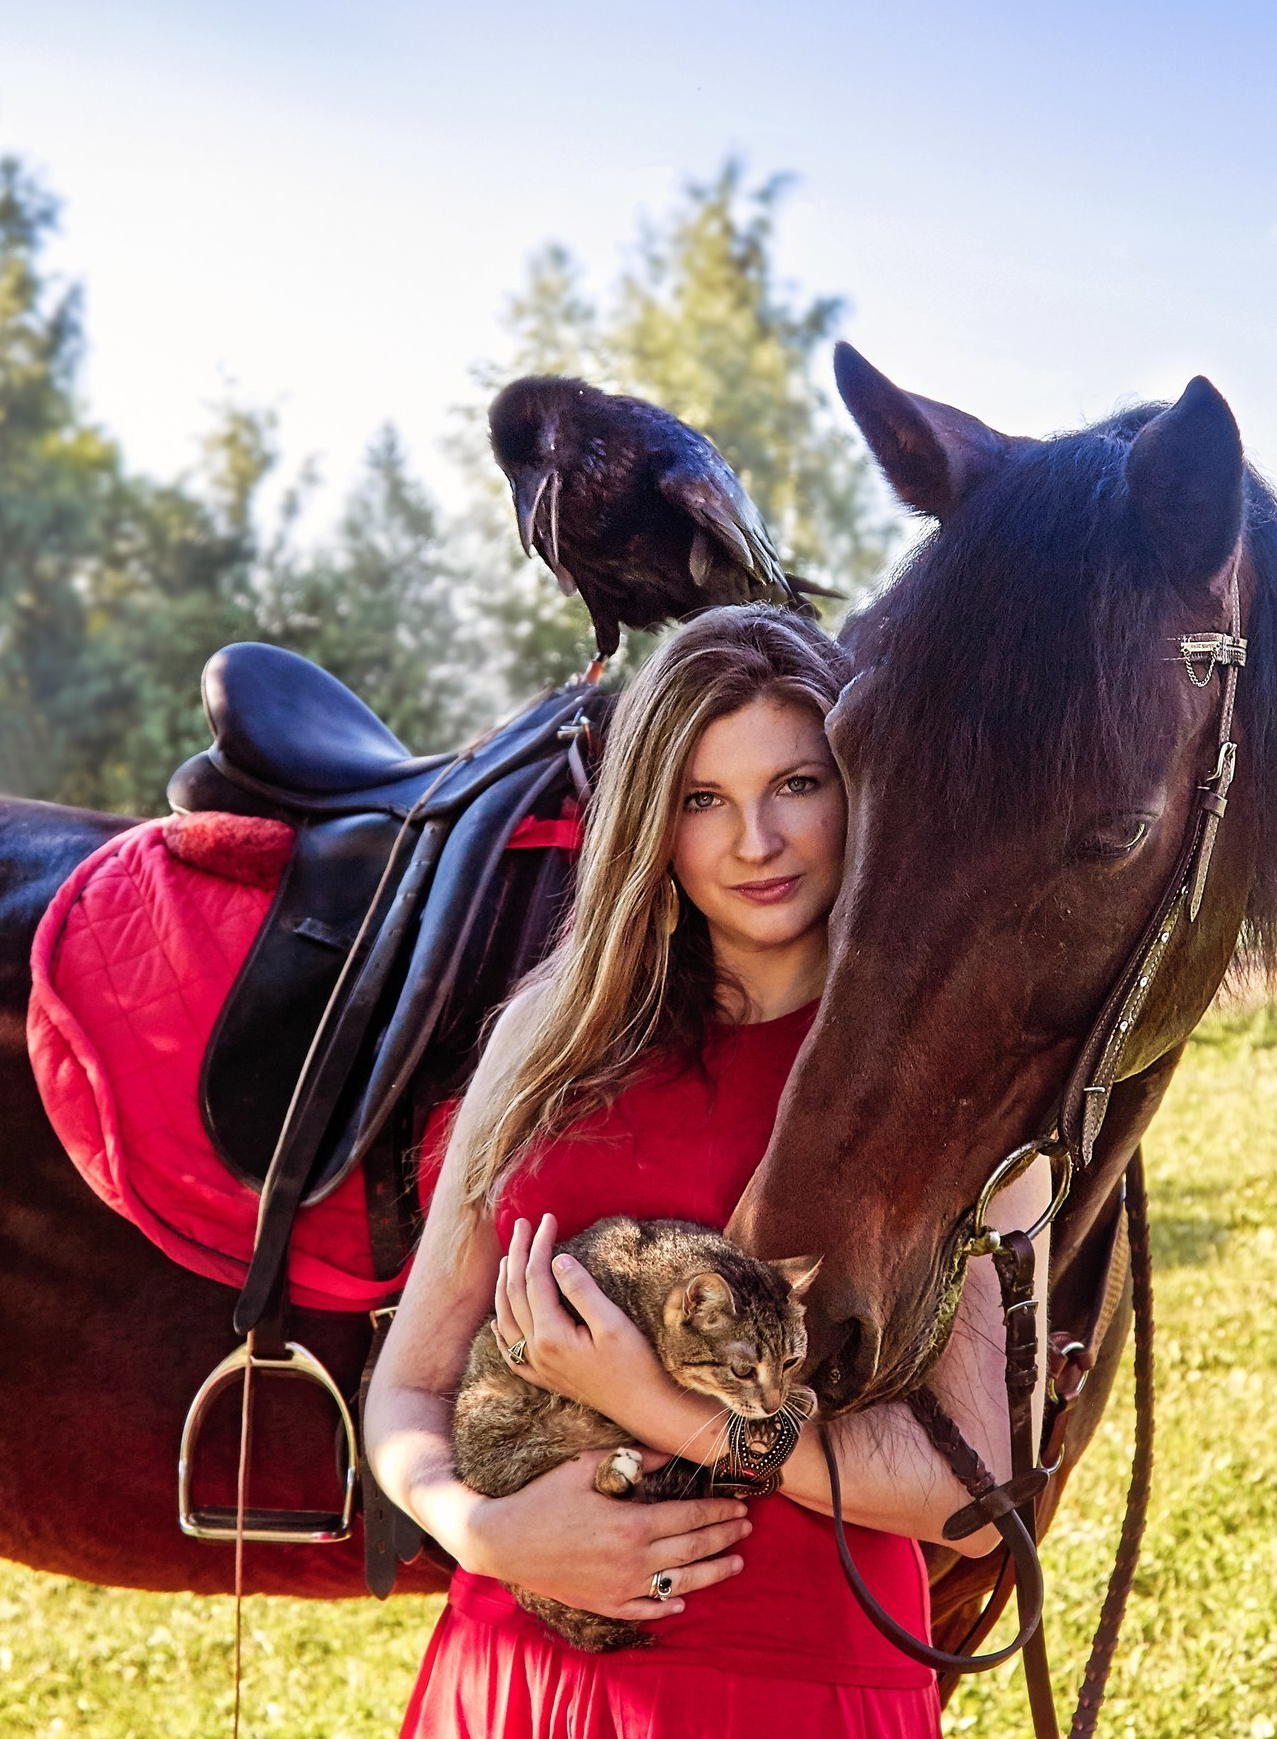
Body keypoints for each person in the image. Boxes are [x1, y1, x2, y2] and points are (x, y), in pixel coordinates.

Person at [365, 604, 1034, 1738]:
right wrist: (479, 1531)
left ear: (860, 793)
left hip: (792, 1697)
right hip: (513, 1681)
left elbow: (962, 1494)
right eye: (702, 799)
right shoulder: (549, 1037)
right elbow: (408, 1389)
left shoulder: (954, 1073)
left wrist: (663, 1408)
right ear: (652, 825)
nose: (755, 842)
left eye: (797, 785)